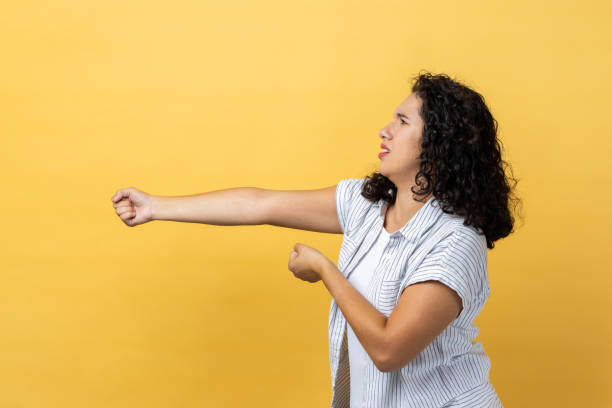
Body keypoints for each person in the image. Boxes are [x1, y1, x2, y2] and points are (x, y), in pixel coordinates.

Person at [110, 71, 520, 407]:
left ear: (437, 145)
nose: (385, 130)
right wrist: (156, 206)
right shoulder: (368, 205)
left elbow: (389, 350)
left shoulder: (455, 242)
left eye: (402, 121)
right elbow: (259, 205)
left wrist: (326, 269)